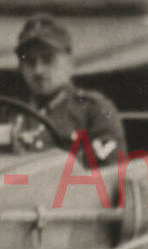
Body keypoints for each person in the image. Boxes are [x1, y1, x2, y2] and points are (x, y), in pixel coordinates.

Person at [13, 14, 126, 165]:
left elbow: (109, 167)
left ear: (70, 63)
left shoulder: (94, 110)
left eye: (48, 59)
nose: (38, 70)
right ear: (20, 67)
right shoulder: (13, 113)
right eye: (30, 62)